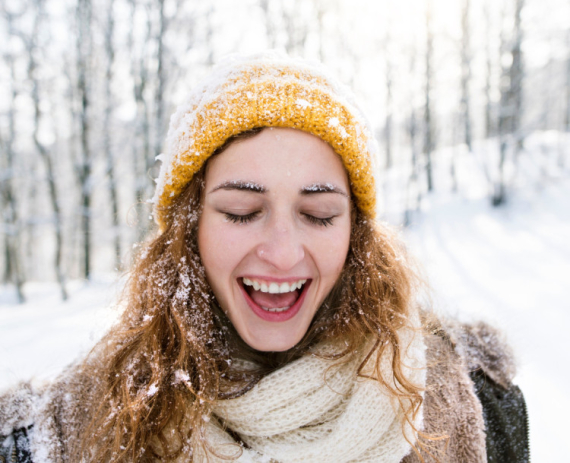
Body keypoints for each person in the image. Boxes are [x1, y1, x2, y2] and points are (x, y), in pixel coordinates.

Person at [0, 52, 529, 462]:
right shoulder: (51, 439)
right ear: (189, 230)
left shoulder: (478, 400)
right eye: (240, 211)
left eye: (319, 215)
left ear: (356, 235)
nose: (280, 253)